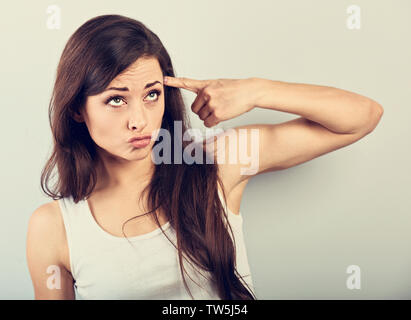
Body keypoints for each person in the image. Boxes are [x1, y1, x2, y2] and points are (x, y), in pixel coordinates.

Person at [26, 14, 383, 300]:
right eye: (116, 99)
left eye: (152, 94)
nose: (140, 120)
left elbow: (362, 117)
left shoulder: (216, 162)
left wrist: (255, 89)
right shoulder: (53, 227)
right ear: (76, 109)